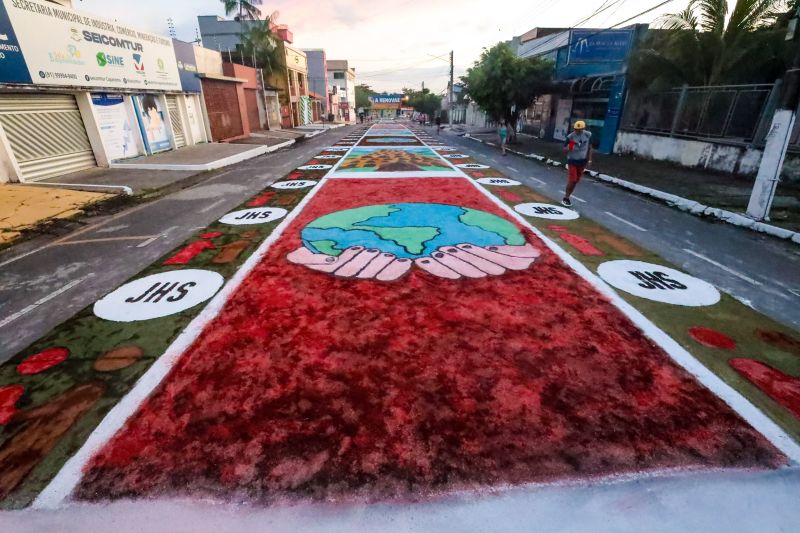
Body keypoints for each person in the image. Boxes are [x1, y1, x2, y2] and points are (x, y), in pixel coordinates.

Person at [562, 120, 592, 207]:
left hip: (582, 161)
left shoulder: (588, 135)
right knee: (573, 180)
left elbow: (590, 148)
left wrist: (589, 160)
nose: (577, 131)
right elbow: (564, 149)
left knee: (576, 181)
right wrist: (570, 146)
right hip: (572, 160)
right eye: (576, 129)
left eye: (580, 129)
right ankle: (566, 197)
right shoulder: (570, 136)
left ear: (583, 129)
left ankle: (568, 196)